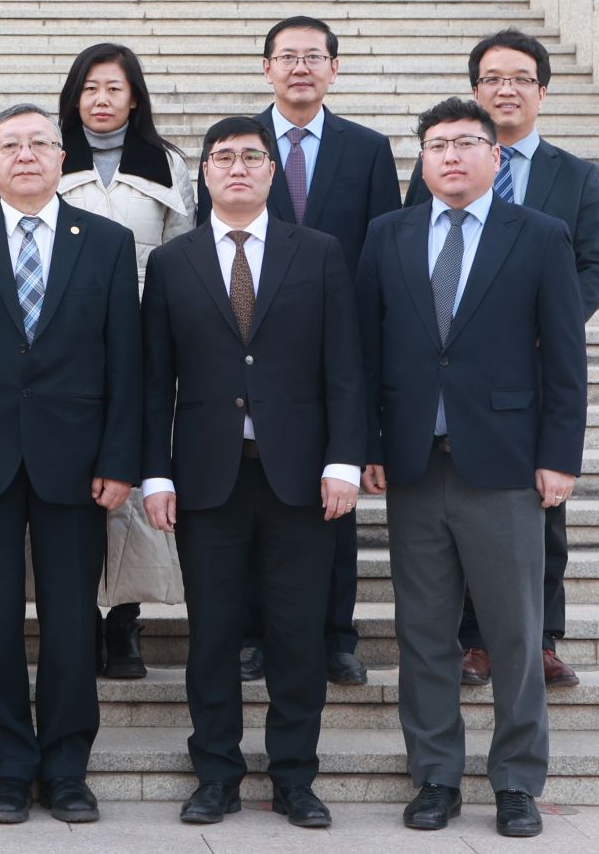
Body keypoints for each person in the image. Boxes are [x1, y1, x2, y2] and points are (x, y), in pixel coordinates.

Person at [356, 97, 588, 838]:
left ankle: (517, 782)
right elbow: (365, 351)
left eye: (464, 143)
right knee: (424, 632)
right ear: (422, 160)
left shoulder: (539, 235)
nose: (450, 156)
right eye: (436, 145)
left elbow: (566, 358)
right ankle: (435, 776)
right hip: (415, 465)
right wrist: (367, 444)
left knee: (515, 633)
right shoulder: (387, 234)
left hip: (506, 465)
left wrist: (559, 457)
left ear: (494, 155)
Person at [141, 116, 365, 829]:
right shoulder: (172, 263)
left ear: (272, 170)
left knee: (297, 635)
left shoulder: (318, 252)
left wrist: (343, 460)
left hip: (301, 481)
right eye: (223, 157)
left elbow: (345, 367)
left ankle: (295, 777)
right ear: (204, 174)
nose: (236, 167)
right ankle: (216, 774)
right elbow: (154, 380)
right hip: (208, 480)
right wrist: (155, 474)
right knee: (212, 635)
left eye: (250, 156)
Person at [0, 104, 140, 826]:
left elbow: (126, 361)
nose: (25, 155)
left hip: (76, 462)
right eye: (9, 145)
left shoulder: (107, 242)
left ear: (61, 159)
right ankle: (8, 769)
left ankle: (68, 768)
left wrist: (119, 458)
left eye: (39, 143)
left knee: (73, 619)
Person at [407, 29, 599, 691]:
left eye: (521, 78)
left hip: (531, 368)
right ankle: (476, 641)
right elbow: (417, 257)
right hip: (454, 374)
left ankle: (541, 638)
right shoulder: (436, 167)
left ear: (542, 92)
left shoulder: (573, 175)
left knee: (540, 508)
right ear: (475, 90)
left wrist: (541, 327)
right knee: (466, 504)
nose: (507, 88)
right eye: (493, 78)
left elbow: (598, 266)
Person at [198, 15, 400, 687]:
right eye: (287, 56)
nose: (300, 68)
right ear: (266, 68)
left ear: (334, 69)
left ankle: (336, 636)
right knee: (253, 499)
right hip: (251, 347)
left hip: (337, 346)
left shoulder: (366, 149)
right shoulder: (236, 146)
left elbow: (383, 248)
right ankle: (254, 635)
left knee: (331, 503)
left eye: (314, 56)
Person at [56, 42, 195, 680]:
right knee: (74, 475)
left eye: (114, 88)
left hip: (141, 337)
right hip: (66, 343)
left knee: (133, 480)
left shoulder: (166, 164)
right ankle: (78, 615)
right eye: (89, 88)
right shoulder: (51, 154)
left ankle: (124, 621)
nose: (101, 100)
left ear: (135, 97)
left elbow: (179, 256)